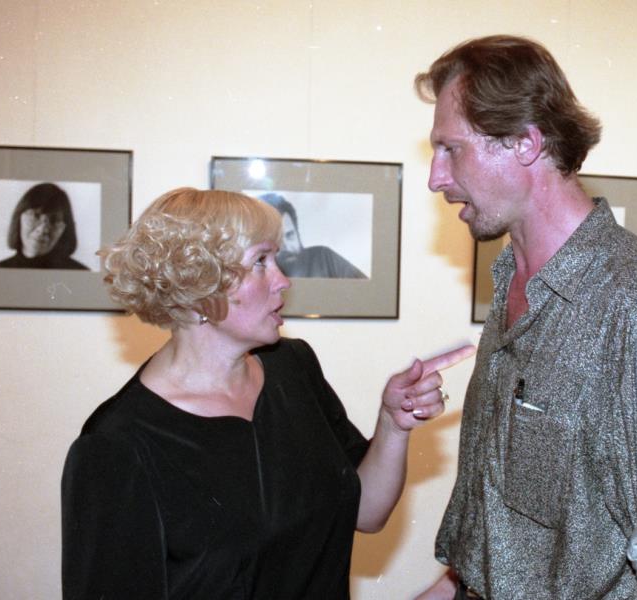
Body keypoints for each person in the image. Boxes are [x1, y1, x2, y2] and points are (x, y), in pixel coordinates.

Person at [414, 35, 637, 599]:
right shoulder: (513, 281)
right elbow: (507, 537)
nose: (435, 177)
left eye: (452, 150)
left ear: (526, 143)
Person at [60, 188, 474, 599]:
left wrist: (393, 425)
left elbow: (366, 512)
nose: (283, 281)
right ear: (199, 285)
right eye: (260, 261)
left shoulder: (291, 367)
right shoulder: (117, 444)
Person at [258, 192, 367, 279]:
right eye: (275, 238)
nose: (286, 246)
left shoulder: (325, 258)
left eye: (290, 235)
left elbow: (367, 291)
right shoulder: (255, 275)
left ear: (297, 233)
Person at [0, 182, 89, 270]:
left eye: (54, 220)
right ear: (19, 218)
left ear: (64, 229)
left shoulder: (81, 273)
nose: (42, 229)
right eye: (36, 216)